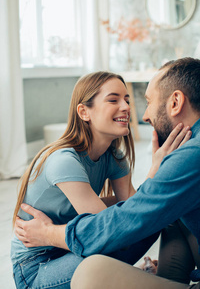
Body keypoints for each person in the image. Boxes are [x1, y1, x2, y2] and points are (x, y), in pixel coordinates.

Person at [14, 57, 199, 288]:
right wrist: (46, 234)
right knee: (130, 230)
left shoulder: (115, 156)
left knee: (160, 216)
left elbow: (134, 212)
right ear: (84, 112)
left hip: (74, 245)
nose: (126, 108)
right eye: (113, 100)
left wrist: (156, 172)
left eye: (127, 100)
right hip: (40, 264)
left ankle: (159, 278)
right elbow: (107, 232)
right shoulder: (64, 161)